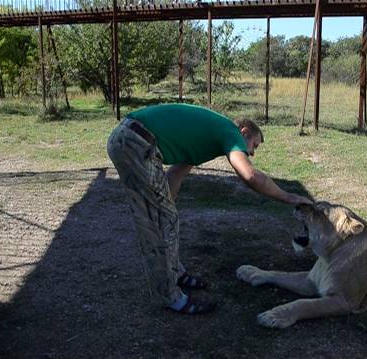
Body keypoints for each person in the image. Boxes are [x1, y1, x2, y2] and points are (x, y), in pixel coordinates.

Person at [107, 103, 312, 315]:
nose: (251, 152)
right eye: (254, 144)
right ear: (244, 132)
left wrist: (167, 206)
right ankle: (171, 297)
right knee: (160, 222)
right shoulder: (229, 131)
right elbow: (250, 175)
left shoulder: (207, 137)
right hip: (136, 142)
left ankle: (175, 272)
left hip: (128, 139)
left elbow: (177, 174)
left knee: (165, 218)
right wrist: (289, 197)